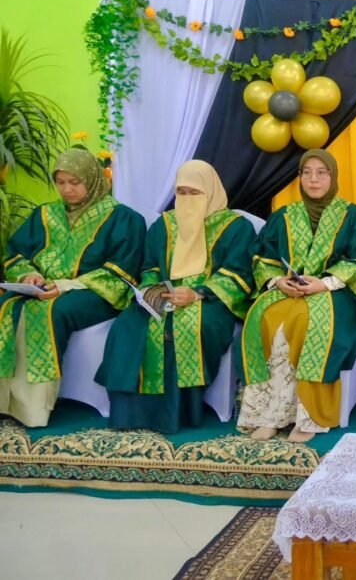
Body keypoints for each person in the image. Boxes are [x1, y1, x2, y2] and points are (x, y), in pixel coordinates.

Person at [95, 161, 256, 434]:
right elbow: (149, 266)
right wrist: (152, 289)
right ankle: (128, 413)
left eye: (195, 193)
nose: (187, 199)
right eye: (181, 192)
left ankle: (181, 413)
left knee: (187, 326)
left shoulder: (236, 227)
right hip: (164, 294)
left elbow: (239, 273)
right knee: (129, 326)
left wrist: (198, 292)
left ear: (211, 191)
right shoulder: (165, 224)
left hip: (209, 300)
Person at [236, 150, 356, 442]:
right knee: (266, 317)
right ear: (299, 177)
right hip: (289, 290)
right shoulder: (284, 216)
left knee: (306, 320)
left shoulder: (353, 216)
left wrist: (324, 283)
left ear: (333, 176)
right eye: (307, 172)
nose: (314, 179)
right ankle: (271, 415)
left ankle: (309, 416)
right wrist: (279, 281)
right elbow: (262, 257)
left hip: (336, 293)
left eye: (322, 173)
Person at [0, 148, 145, 427]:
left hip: (92, 292)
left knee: (52, 311)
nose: (67, 190)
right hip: (43, 287)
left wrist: (66, 285)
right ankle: (5, 400)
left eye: (75, 182)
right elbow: (16, 253)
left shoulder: (124, 218)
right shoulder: (45, 214)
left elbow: (122, 271)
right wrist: (29, 275)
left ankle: (33, 408)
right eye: (61, 182)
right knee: (6, 305)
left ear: (92, 179)